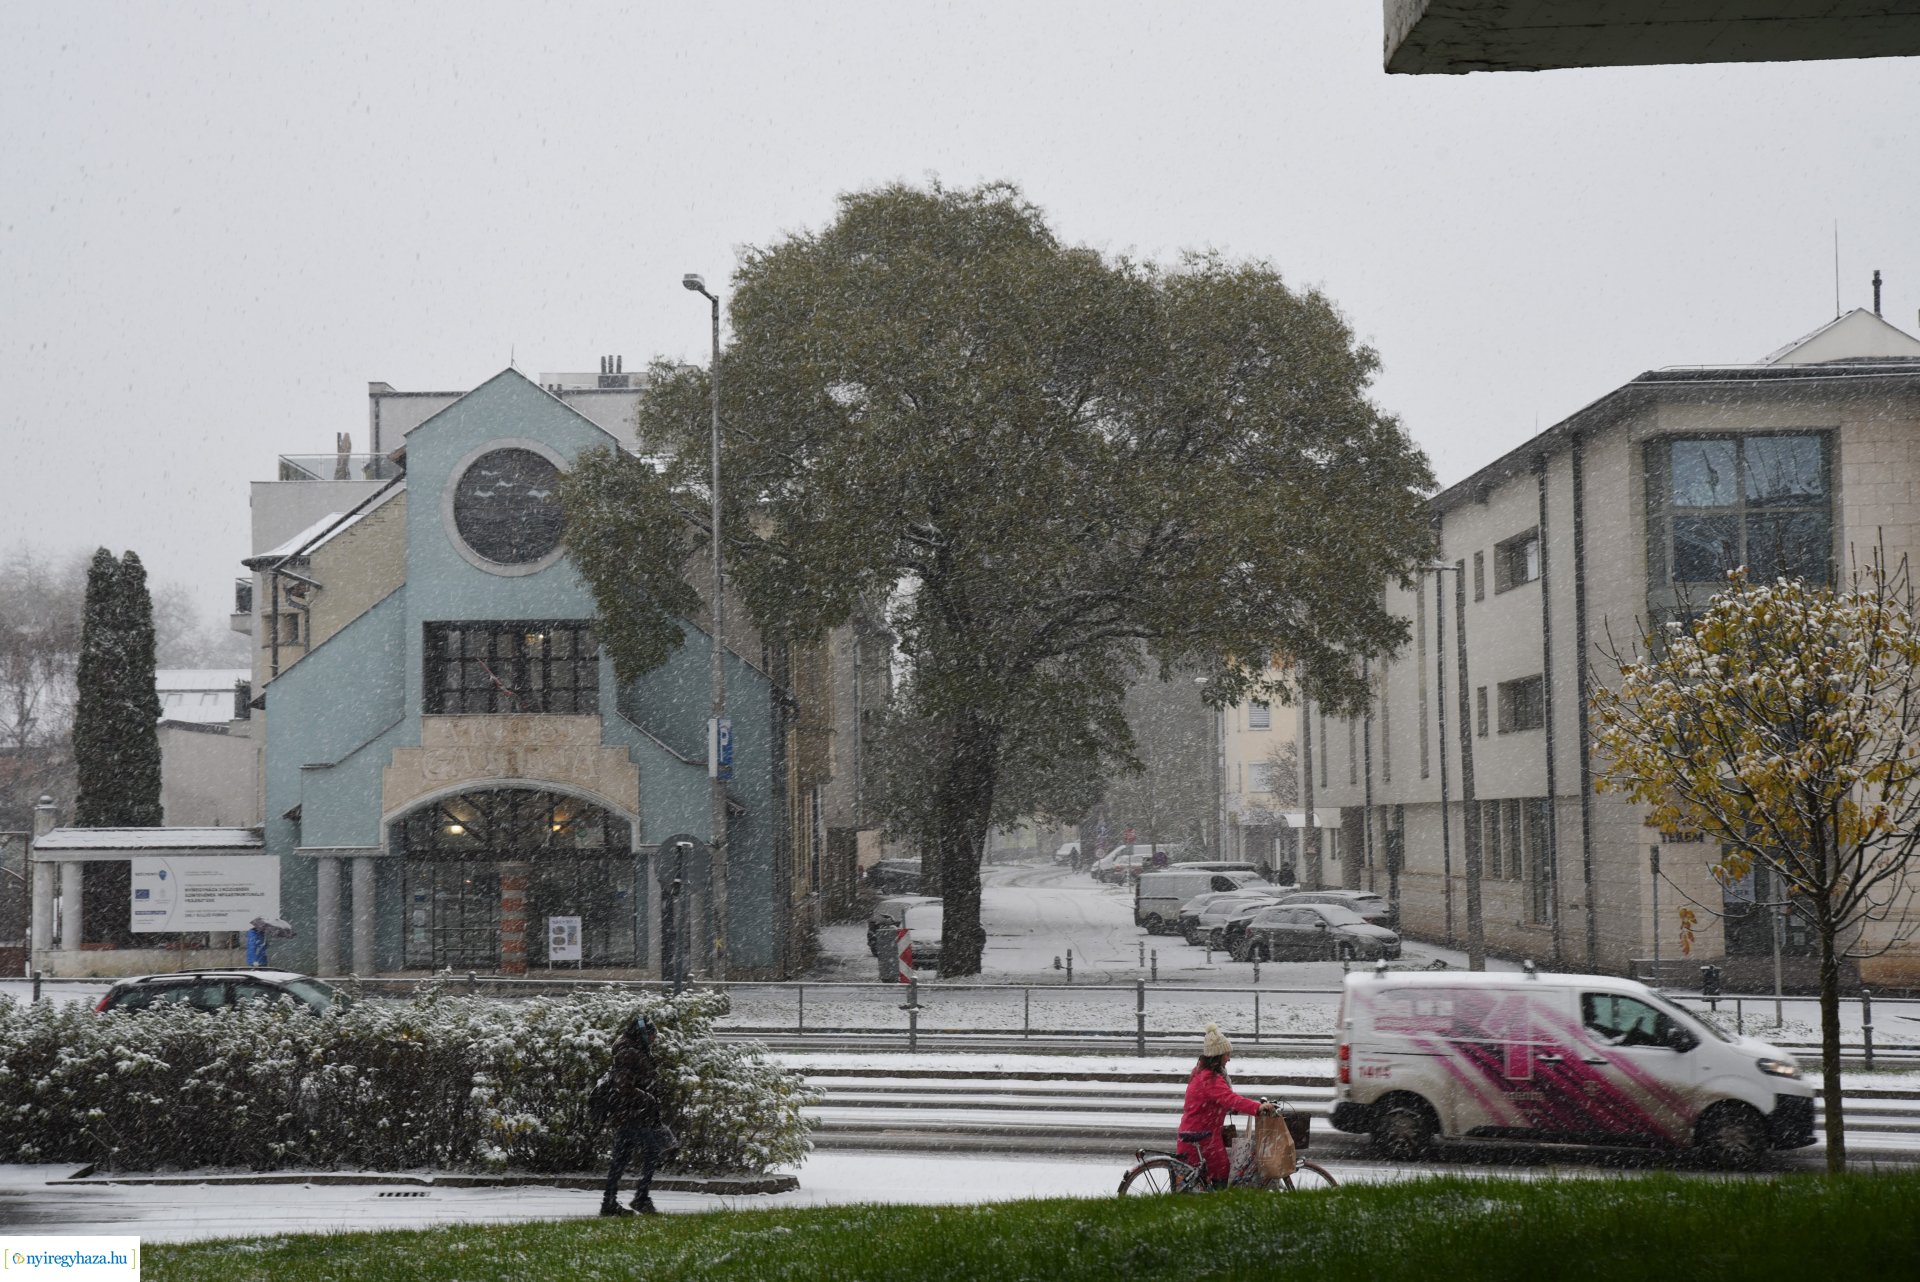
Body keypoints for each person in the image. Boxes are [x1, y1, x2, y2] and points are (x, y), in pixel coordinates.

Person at [1176, 1023, 1276, 1187]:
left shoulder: (1204, 1074)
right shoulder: (1209, 1079)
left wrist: (1236, 1109)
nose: (1229, 1058)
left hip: (1202, 1133)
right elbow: (1230, 1098)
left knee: (1216, 1179)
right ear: (1218, 1055)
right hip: (1202, 1137)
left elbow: (1221, 1100)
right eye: (1226, 1054)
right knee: (1222, 1177)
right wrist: (1257, 1108)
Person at [598, 1012, 673, 1216]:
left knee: (621, 1159)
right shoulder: (628, 1053)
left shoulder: (634, 1050)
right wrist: (647, 1098)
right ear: (642, 1034)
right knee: (652, 1151)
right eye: (651, 1036)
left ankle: (612, 1202)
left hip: (633, 1115)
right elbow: (624, 1086)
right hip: (632, 1115)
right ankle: (638, 1197)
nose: (653, 1040)